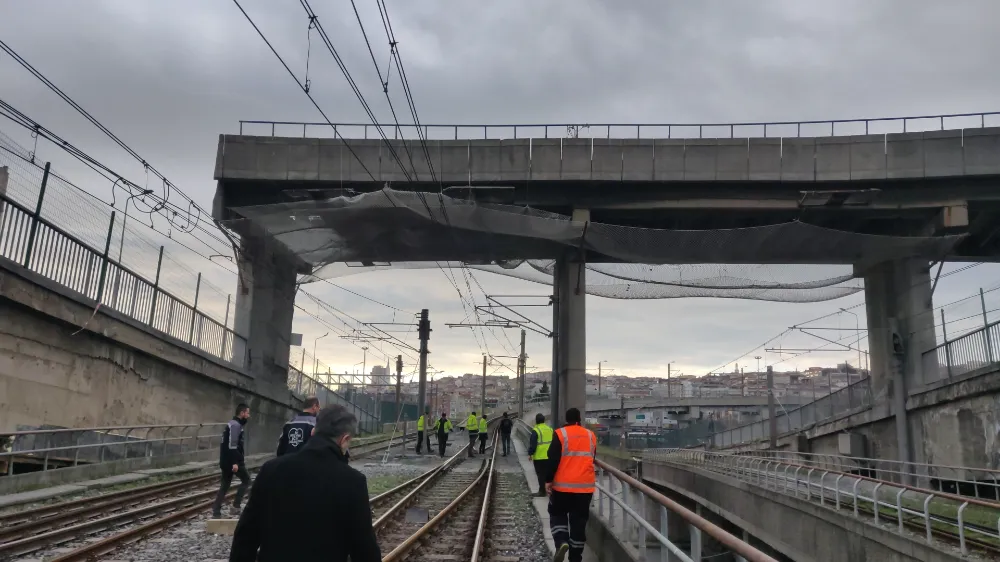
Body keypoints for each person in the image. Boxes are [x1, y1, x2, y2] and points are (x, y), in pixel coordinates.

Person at [229, 405, 381, 562]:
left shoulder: (271, 470)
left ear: (313, 432)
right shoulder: (353, 481)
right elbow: (364, 548)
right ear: (345, 440)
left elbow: (246, 535)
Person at [545, 408, 597, 562]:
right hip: (585, 488)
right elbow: (592, 457)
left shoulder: (560, 434)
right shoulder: (590, 435)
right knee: (579, 522)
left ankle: (561, 542)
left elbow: (552, 458)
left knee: (557, 514)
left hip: (562, 487)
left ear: (565, 420)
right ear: (579, 419)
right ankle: (575, 557)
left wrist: (548, 480)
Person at [212, 404, 251, 519]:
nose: (249, 416)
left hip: (226, 460)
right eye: (247, 413)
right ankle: (236, 506)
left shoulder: (233, 424)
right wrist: (235, 462)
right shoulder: (235, 425)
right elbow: (232, 445)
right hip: (232, 461)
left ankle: (216, 511)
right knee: (246, 480)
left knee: (225, 485)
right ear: (242, 413)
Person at [526, 413, 552, 497]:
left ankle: (542, 491)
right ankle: (550, 489)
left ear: (536, 421)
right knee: (549, 474)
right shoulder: (550, 429)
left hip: (540, 457)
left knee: (541, 475)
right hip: (550, 456)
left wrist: (530, 454)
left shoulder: (536, 430)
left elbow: (533, 444)